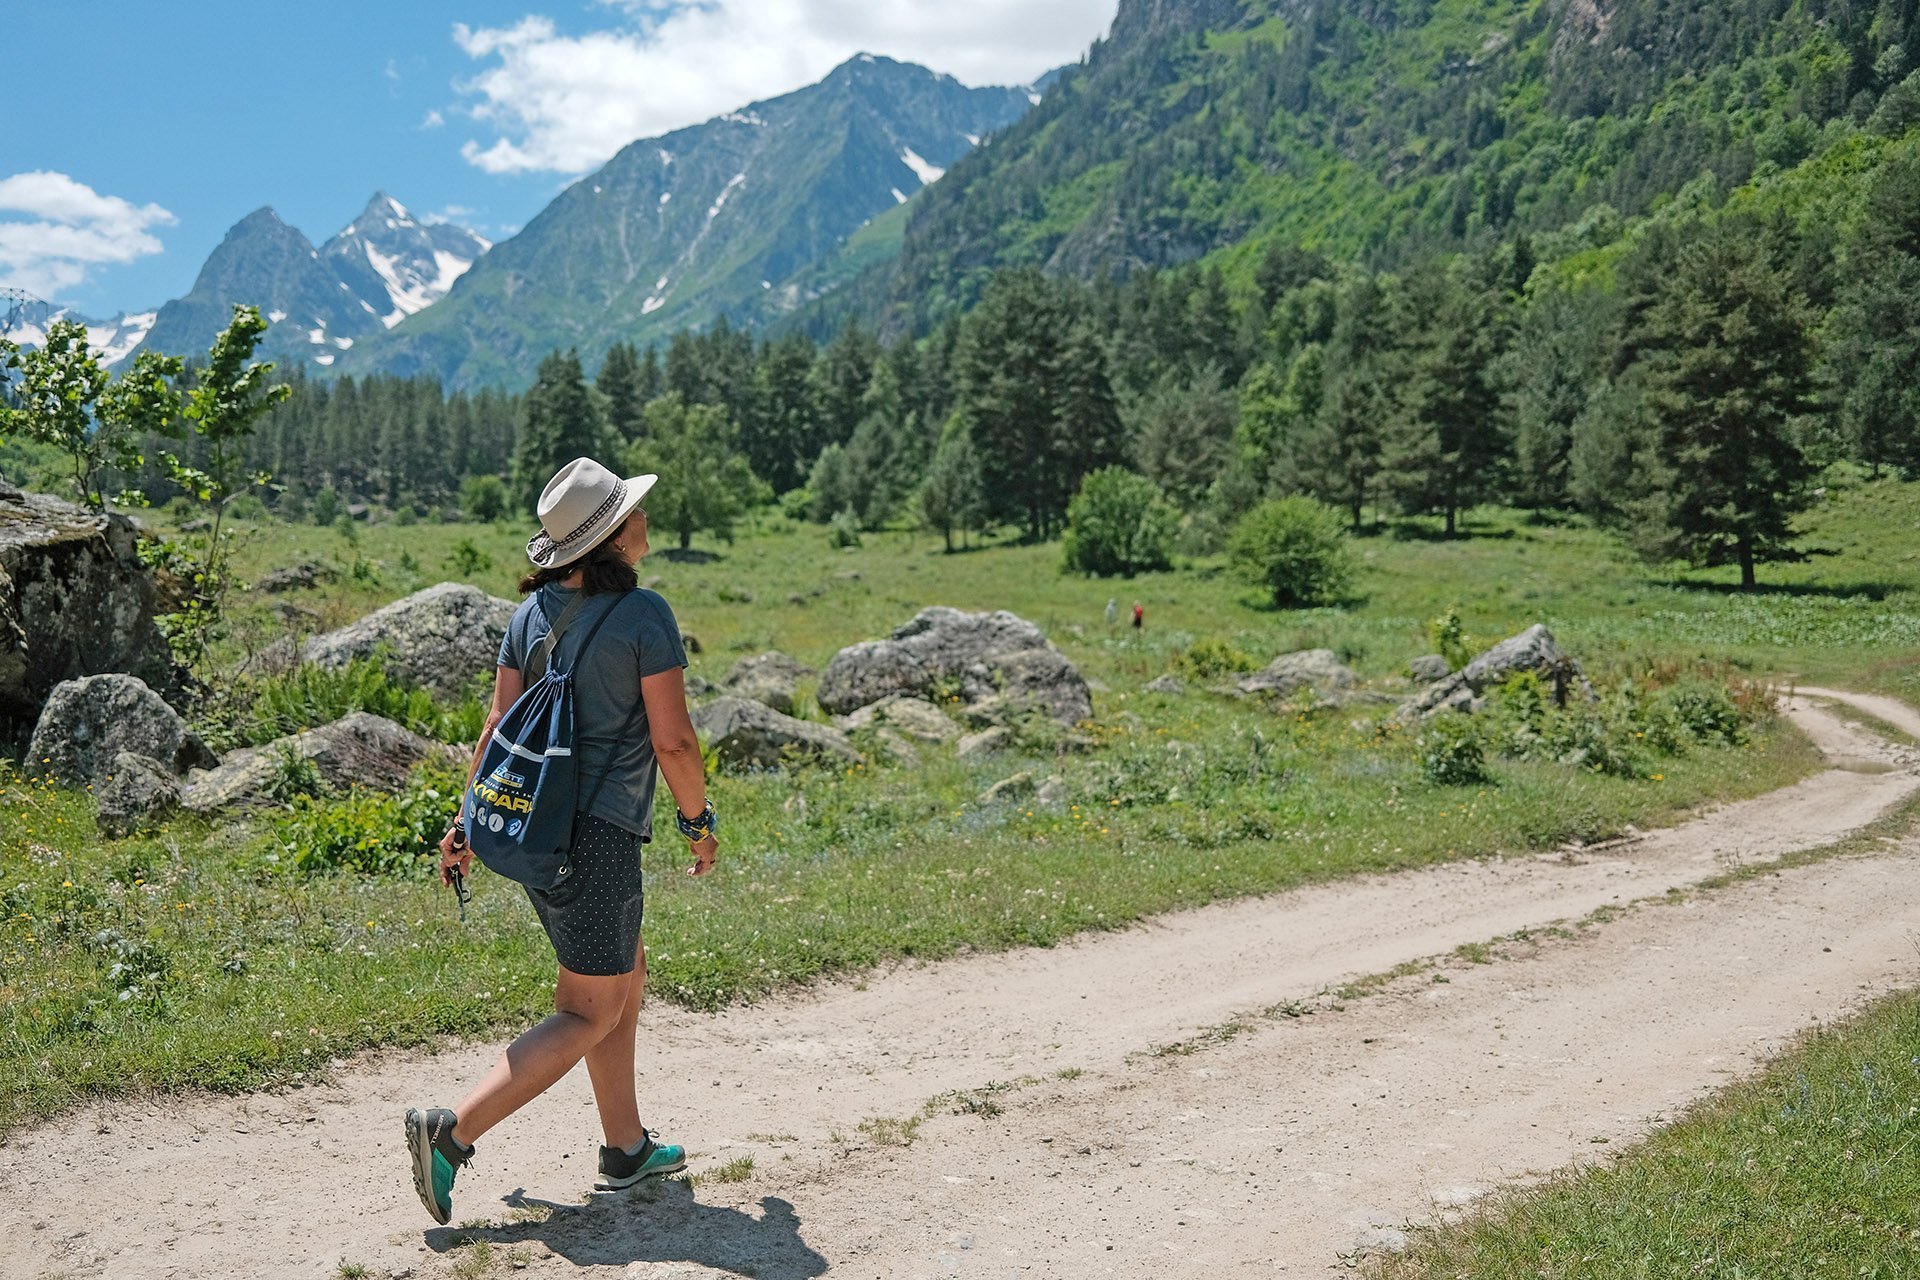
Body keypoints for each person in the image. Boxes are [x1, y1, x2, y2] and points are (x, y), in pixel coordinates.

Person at [405, 457, 720, 1226]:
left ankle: (626, 1148)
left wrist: (466, 821)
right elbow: (673, 741)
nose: (646, 518)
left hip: (533, 831)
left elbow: (495, 731)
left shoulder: (530, 615)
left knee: (623, 976)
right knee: (589, 1006)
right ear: (613, 537)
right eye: (633, 512)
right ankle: (453, 1133)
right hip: (599, 840)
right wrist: (697, 820)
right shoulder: (645, 617)